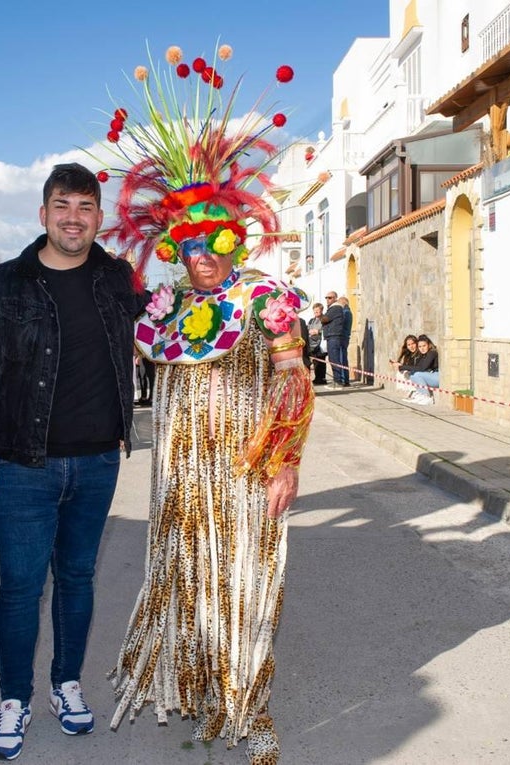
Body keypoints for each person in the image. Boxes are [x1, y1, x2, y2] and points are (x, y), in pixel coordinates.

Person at [98, 44, 315, 765]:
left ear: (235, 237)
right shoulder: (162, 309)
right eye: (188, 242)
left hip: (246, 470)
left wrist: (283, 461)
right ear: (174, 248)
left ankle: (250, 707)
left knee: (249, 587)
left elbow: (292, 378)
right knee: (187, 577)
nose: (203, 255)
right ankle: (197, 685)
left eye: (215, 239)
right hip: (181, 478)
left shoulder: (265, 297)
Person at [0, 162, 148, 761]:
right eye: (63, 205)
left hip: (96, 462)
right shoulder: (0, 285)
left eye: (86, 207)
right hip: (19, 464)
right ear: (43, 214)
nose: (74, 218)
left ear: (99, 217)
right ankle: (15, 699)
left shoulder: (117, 279)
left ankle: (67, 684)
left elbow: (172, 330)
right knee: (19, 587)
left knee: (78, 578)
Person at [399, 334, 440, 405]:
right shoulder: (424, 354)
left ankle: (427, 397)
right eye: (420, 346)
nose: (422, 348)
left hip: (438, 377)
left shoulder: (432, 353)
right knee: (412, 373)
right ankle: (420, 394)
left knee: (416, 374)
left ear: (429, 345)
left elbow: (422, 368)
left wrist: (403, 366)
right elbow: (417, 367)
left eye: (424, 346)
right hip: (432, 376)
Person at [321, 291, 348, 387]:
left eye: (330, 297)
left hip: (334, 336)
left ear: (335, 298)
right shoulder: (332, 308)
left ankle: (338, 381)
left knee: (334, 359)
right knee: (333, 359)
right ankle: (337, 380)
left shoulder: (335, 308)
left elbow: (325, 319)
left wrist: (319, 314)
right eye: (326, 297)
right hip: (331, 336)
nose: (327, 300)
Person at [307, 303, 327, 385]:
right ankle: (317, 378)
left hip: (320, 344)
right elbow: (307, 328)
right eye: (314, 311)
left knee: (321, 362)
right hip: (312, 344)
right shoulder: (312, 320)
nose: (316, 312)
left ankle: (322, 378)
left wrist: (318, 331)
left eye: (317, 311)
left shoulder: (325, 319)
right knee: (315, 362)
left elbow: (326, 329)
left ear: (321, 310)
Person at [338, 296, 354, 384]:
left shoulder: (346, 312)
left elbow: (341, 324)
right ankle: (344, 379)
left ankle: (344, 379)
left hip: (342, 337)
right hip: (344, 337)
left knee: (342, 358)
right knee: (342, 358)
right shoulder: (348, 312)